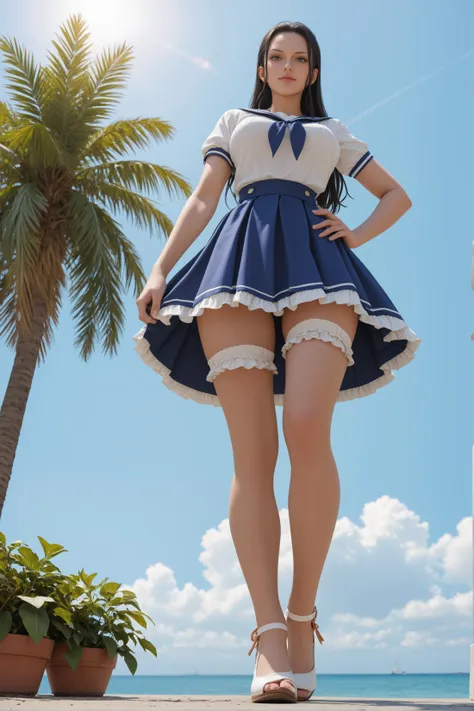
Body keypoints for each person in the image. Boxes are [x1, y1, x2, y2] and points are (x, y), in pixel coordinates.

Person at [134, 21, 421, 704]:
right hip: (235, 264)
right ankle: (266, 635)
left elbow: (397, 195)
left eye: (300, 59)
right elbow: (204, 198)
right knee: (252, 452)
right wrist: (160, 267)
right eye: (277, 57)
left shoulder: (335, 133)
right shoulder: (232, 121)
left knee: (308, 429)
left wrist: (355, 231)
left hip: (322, 268)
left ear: (313, 72)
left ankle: (302, 615)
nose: (288, 66)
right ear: (263, 67)